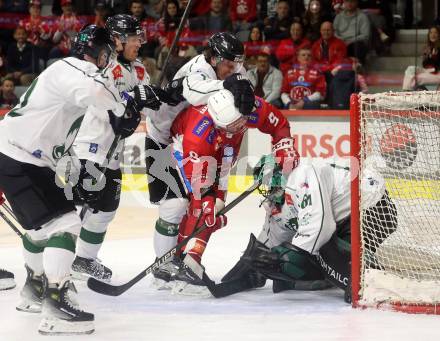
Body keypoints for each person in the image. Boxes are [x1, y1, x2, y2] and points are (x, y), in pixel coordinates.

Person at [0, 25, 159, 335]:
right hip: (21, 157)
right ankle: (55, 303)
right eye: (107, 56)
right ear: (100, 54)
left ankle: (35, 287)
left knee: (44, 226)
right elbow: (96, 92)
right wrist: (124, 105)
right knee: (66, 224)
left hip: (25, 156)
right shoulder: (74, 68)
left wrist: (125, 106)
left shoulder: (70, 69)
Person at [143, 32, 255, 285]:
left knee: (195, 204)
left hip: (198, 138)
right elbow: (194, 93)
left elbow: (244, 93)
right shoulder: (196, 69)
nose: (235, 69)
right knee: (175, 205)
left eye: (238, 63)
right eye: (229, 63)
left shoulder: (232, 69)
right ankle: (163, 266)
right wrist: (229, 84)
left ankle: (177, 260)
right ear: (213, 58)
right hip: (163, 138)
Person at [168, 90, 299, 295]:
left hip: (223, 152)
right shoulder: (198, 134)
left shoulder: (245, 105)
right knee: (201, 206)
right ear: (217, 123)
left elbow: (279, 124)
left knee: (216, 208)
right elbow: (199, 179)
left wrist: (284, 147)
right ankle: (185, 263)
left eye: (242, 122)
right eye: (234, 125)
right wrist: (206, 199)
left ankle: (186, 259)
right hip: (185, 149)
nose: (241, 126)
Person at [71, 15, 170, 281]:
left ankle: (83, 260)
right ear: (117, 40)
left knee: (105, 208)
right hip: (88, 148)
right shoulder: (102, 64)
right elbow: (105, 102)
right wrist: (131, 100)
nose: (140, 42)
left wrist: (159, 97)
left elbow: (145, 107)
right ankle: (58, 261)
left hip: (113, 155)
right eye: (136, 38)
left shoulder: (139, 70)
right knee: (75, 209)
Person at [216, 157, 397, 301]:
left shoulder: (304, 176)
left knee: (324, 254)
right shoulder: (277, 201)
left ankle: (370, 278)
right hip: (344, 218)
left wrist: (282, 257)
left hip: (373, 207)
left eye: (270, 183)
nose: (267, 189)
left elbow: (320, 228)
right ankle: (342, 270)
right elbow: (272, 237)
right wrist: (250, 263)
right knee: (297, 267)